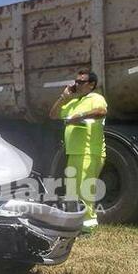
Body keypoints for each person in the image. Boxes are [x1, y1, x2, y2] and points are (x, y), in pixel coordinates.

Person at [48, 70, 108, 232]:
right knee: (73, 191)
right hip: (74, 152)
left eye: (81, 82)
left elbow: (101, 112)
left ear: (91, 85)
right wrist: (63, 97)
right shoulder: (74, 102)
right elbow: (53, 115)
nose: (77, 84)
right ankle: (76, 223)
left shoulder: (95, 98)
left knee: (85, 190)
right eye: (76, 82)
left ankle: (89, 225)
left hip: (89, 152)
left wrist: (79, 116)